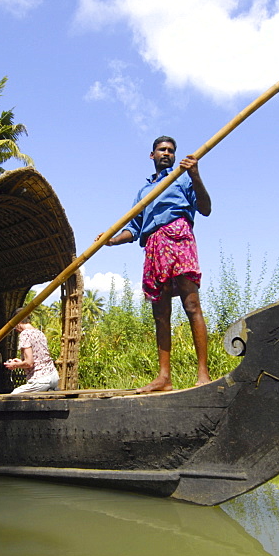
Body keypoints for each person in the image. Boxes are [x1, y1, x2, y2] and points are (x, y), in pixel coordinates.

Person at [101, 135, 212, 393]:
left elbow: (205, 209)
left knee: (191, 304)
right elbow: (134, 228)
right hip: (153, 245)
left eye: (171, 151)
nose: (167, 153)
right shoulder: (143, 192)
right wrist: (112, 241)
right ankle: (164, 378)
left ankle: (203, 373)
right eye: (162, 150)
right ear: (152, 156)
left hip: (178, 236)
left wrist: (195, 174)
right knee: (160, 314)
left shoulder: (183, 177)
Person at [4, 309, 59, 393]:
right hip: (53, 376)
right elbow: (39, 358)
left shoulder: (25, 334)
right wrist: (20, 362)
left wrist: (15, 365)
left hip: (41, 380)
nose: (16, 330)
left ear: (18, 322)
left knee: (13, 396)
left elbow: (29, 363)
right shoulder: (39, 333)